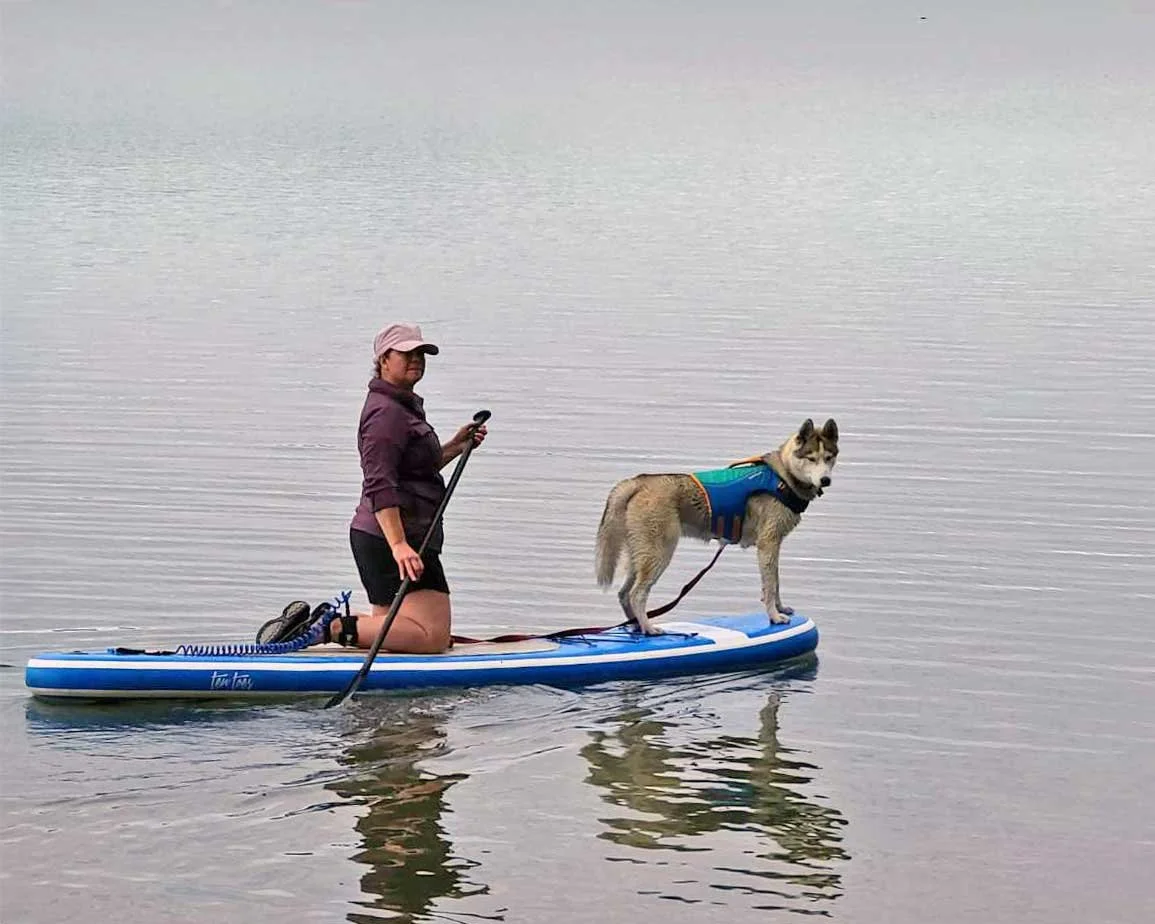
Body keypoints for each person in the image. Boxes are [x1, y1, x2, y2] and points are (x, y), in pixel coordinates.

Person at [257, 322, 486, 653]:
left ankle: (335, 639)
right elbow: (379, 484)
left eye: (421, 353)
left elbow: (414, 471)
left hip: (384, 537)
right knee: (431, 637)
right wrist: (399, 545)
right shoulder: (386, 414)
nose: (416, 359)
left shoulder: (400, 407)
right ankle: (326, 627)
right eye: (406, 353)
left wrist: (455, 445)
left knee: (393, 638)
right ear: (383, 359)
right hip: (395, 539)